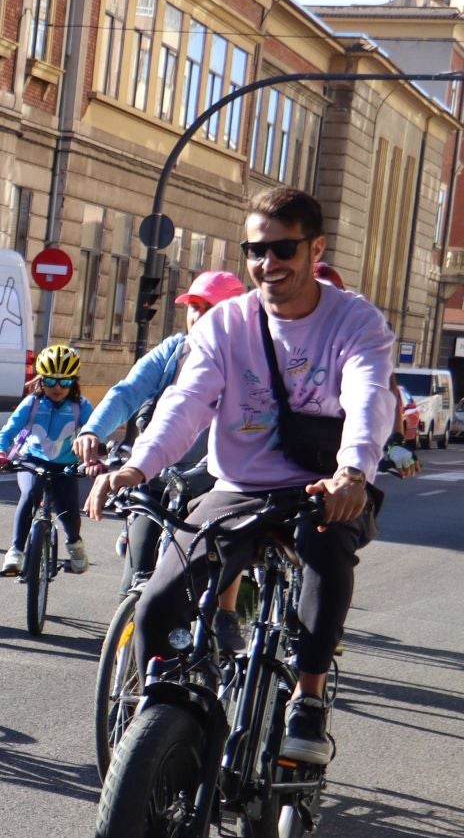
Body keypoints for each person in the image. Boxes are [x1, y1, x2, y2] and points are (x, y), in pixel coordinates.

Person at [86, 186, 396, 767]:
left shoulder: (355, 321)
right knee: (157, 598)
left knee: (325, 553)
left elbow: (368, 396)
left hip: (322, 487)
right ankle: (171, 716)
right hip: (237, 488)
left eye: (282, 249)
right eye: (255, 251)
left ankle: (308, 697)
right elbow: (186, 404)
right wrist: (136, 466)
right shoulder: (226, 324)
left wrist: (353, 471)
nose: (267, 264)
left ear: (315, 248)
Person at [74, 269, 247, 637]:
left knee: (193, 592)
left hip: (212, 489)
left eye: (209, 307)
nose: (198, 316)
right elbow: (127, 392)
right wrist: (93, 430)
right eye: (193, 307)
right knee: (133, 585)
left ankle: (206, 651)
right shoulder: (174, 352)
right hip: (156, 477)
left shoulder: (249, 364)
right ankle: (130, 674)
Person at [0, 344, 94, 577]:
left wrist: (96, 455)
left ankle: (75, 546)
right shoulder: (32, 404)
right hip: (31, 461)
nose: (57, 388)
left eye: (64, 382)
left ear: (73, 382)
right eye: (50, 381)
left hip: (65, 466)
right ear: (40, 380)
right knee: (30, 494)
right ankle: (15, 552)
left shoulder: (81, 406)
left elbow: (96, 433)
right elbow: (7, 432)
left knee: (68, 511)